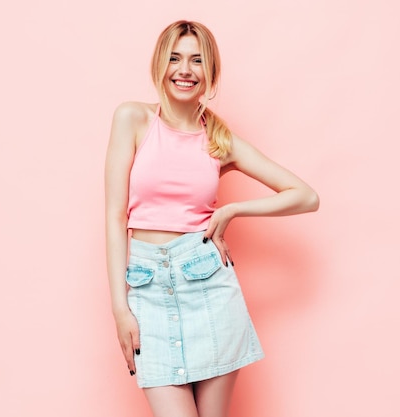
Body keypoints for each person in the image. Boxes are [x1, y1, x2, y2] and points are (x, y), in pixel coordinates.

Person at [104, 20, 319, 417]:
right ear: (160, 65)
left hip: (209, 287)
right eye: (175, 58)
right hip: (146, 289)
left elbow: (306, 196)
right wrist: (121, 309)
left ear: (211, 72)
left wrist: (233, 209)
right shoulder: (132, 118)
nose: (185, 69)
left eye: (197, 60)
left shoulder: (220, 140)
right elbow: (116, 216)